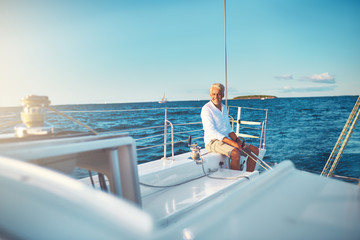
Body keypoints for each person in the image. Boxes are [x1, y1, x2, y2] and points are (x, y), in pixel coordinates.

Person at [201, 83, 259, 171]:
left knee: (254, 150)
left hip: (226, 139)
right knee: (235, 153)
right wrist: (233, 144)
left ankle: (247, 176)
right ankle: (235, 180)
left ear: (223, 95)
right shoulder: (206, 109)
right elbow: (212, 131)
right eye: (213, 94)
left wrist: (237, 141)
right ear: (210, 95)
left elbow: (228, 129)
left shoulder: (224, 108)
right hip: (212, 141)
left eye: (219, 94)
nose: (216, 96)